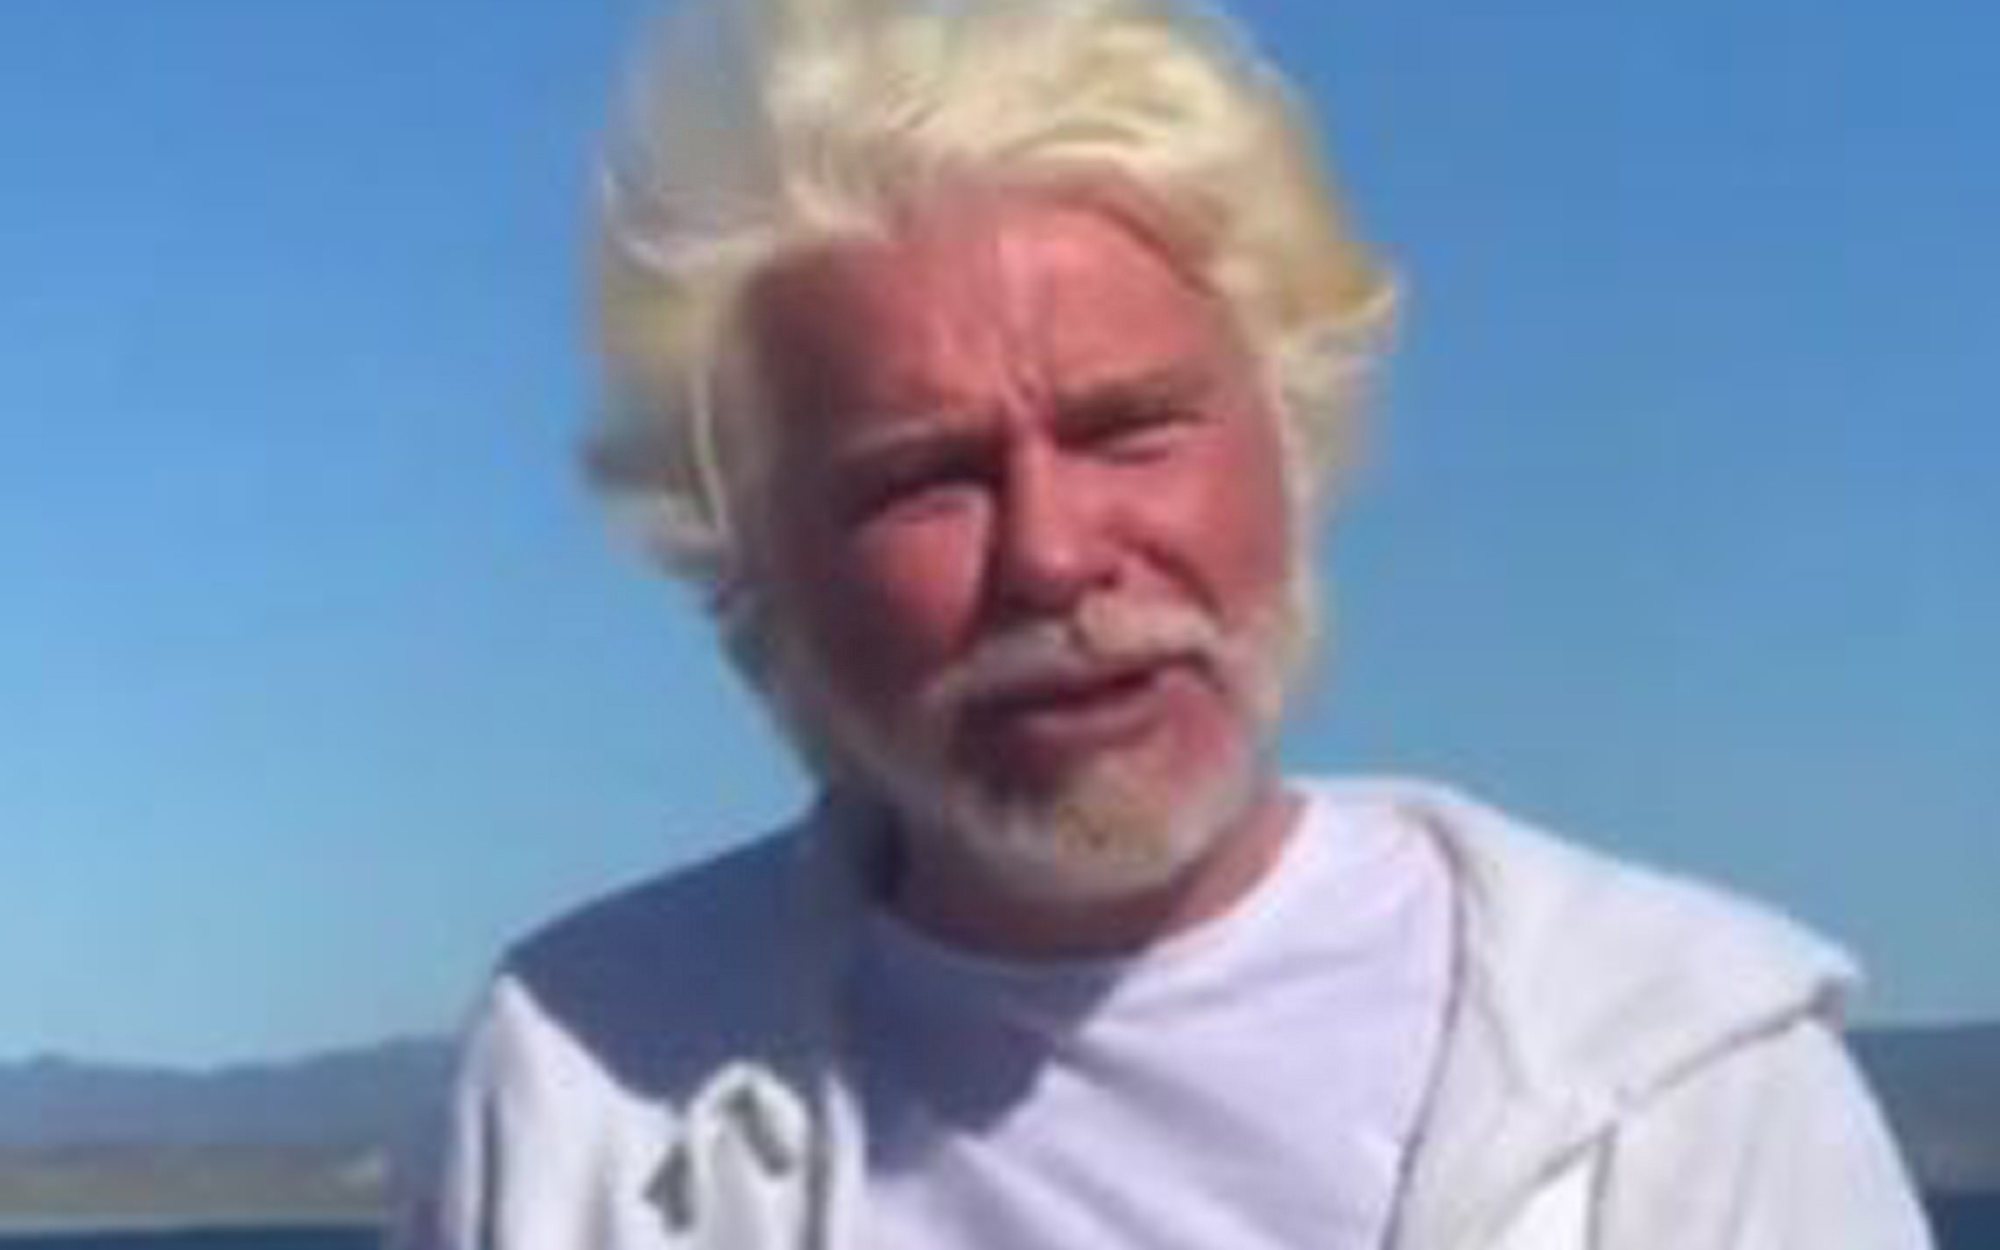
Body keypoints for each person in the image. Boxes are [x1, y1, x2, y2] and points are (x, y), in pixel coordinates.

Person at [395, 0, 1934, 1246]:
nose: (1054, 554)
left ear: (1293, 439)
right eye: (923, 478)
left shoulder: (1685, 1084)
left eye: (1130, 427)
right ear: (754, 561)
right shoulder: (587, 1087)